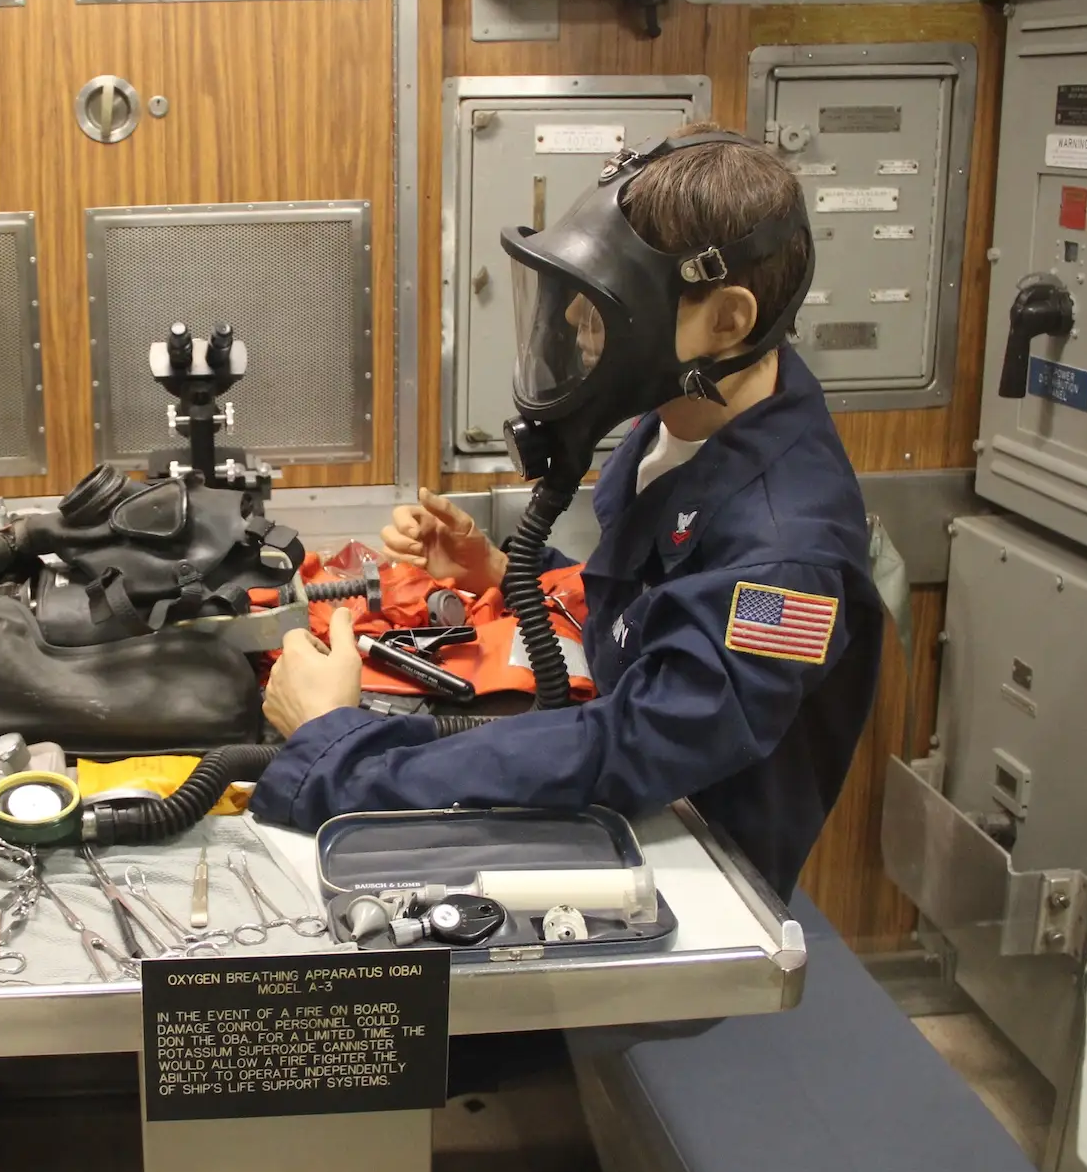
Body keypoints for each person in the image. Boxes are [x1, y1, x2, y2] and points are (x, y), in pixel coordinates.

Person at [251, 125, 882, 902]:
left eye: (613, 303)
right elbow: (666, 611)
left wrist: (336, 753)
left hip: (692, 878)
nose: (581, 328)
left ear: (728, 320)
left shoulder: (787, 565)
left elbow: (642, 740)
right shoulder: (696, 411)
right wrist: (508, 571)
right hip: (623, 810)